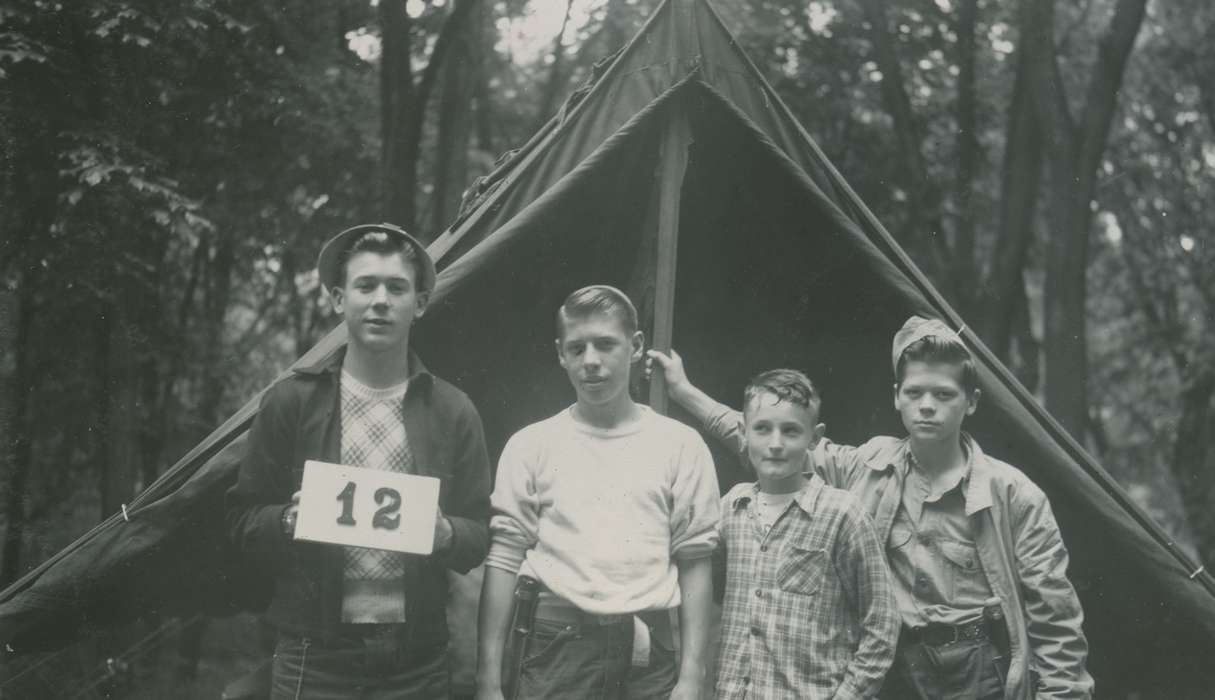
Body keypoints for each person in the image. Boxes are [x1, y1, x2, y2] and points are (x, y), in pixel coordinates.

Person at [648, 316, 1093, 700]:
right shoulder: (868, 465)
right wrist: (685, 393)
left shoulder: (1014, 494)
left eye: (943, 395)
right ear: (897, 396)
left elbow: (1056, 622)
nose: (926, 406)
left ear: (971, 401)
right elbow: (771, 446)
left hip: (975, 671)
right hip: (892, 671)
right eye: (915, 392)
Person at [226, 223, 492, 699]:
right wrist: (290, 519)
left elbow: (481, 532)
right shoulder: (292, 402)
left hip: (417, 662)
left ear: (421, 303)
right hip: (315, 654)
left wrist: (447, 533)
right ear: (337, 299)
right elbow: (241, 521)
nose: (381, 300)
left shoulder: (453, 410)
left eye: (397, 287)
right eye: (365, 285)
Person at [475, 285, 721, 700]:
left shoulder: (680, 444)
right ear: (560, 354)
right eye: (577, 348)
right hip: (554, 650)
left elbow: (695, 560)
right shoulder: (531, 444)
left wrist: (692, 676)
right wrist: (487, 679)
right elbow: (503, 557)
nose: (591, 361)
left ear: (636, 345)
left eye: (606, 344)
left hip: (648, 654)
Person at [714, 368, 898, 699]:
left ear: (815, 437)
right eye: (762, 429)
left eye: (791, 431)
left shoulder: (842, 514)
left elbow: (882, 625)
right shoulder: (731, 508)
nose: (775, 444)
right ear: (743, 431)